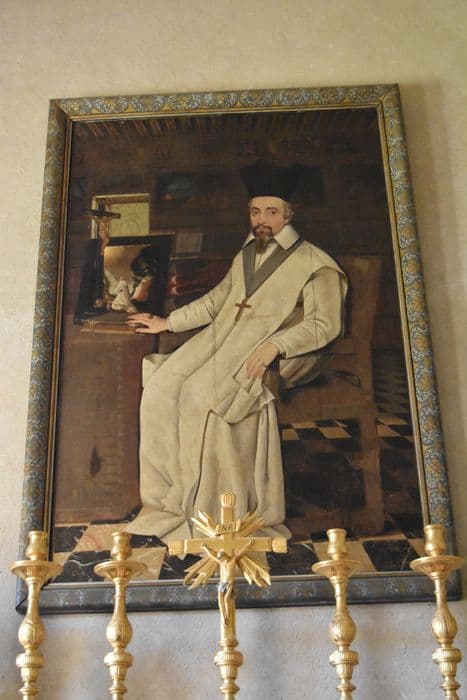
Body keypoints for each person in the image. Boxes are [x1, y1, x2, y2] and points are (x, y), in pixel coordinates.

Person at [125, 160, 347, 541]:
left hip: (283, 353)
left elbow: (325, 325)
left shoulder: (316, 264)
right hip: (224, 339)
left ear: (288, 215)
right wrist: (168, 323)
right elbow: (217, 301)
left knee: (200, 395)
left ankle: (207, 511)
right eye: (255, 211)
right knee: (161, 388)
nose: (262, 220)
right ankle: (166, 504)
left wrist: (276, 344)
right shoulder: (248, 252)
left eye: (271, 212)